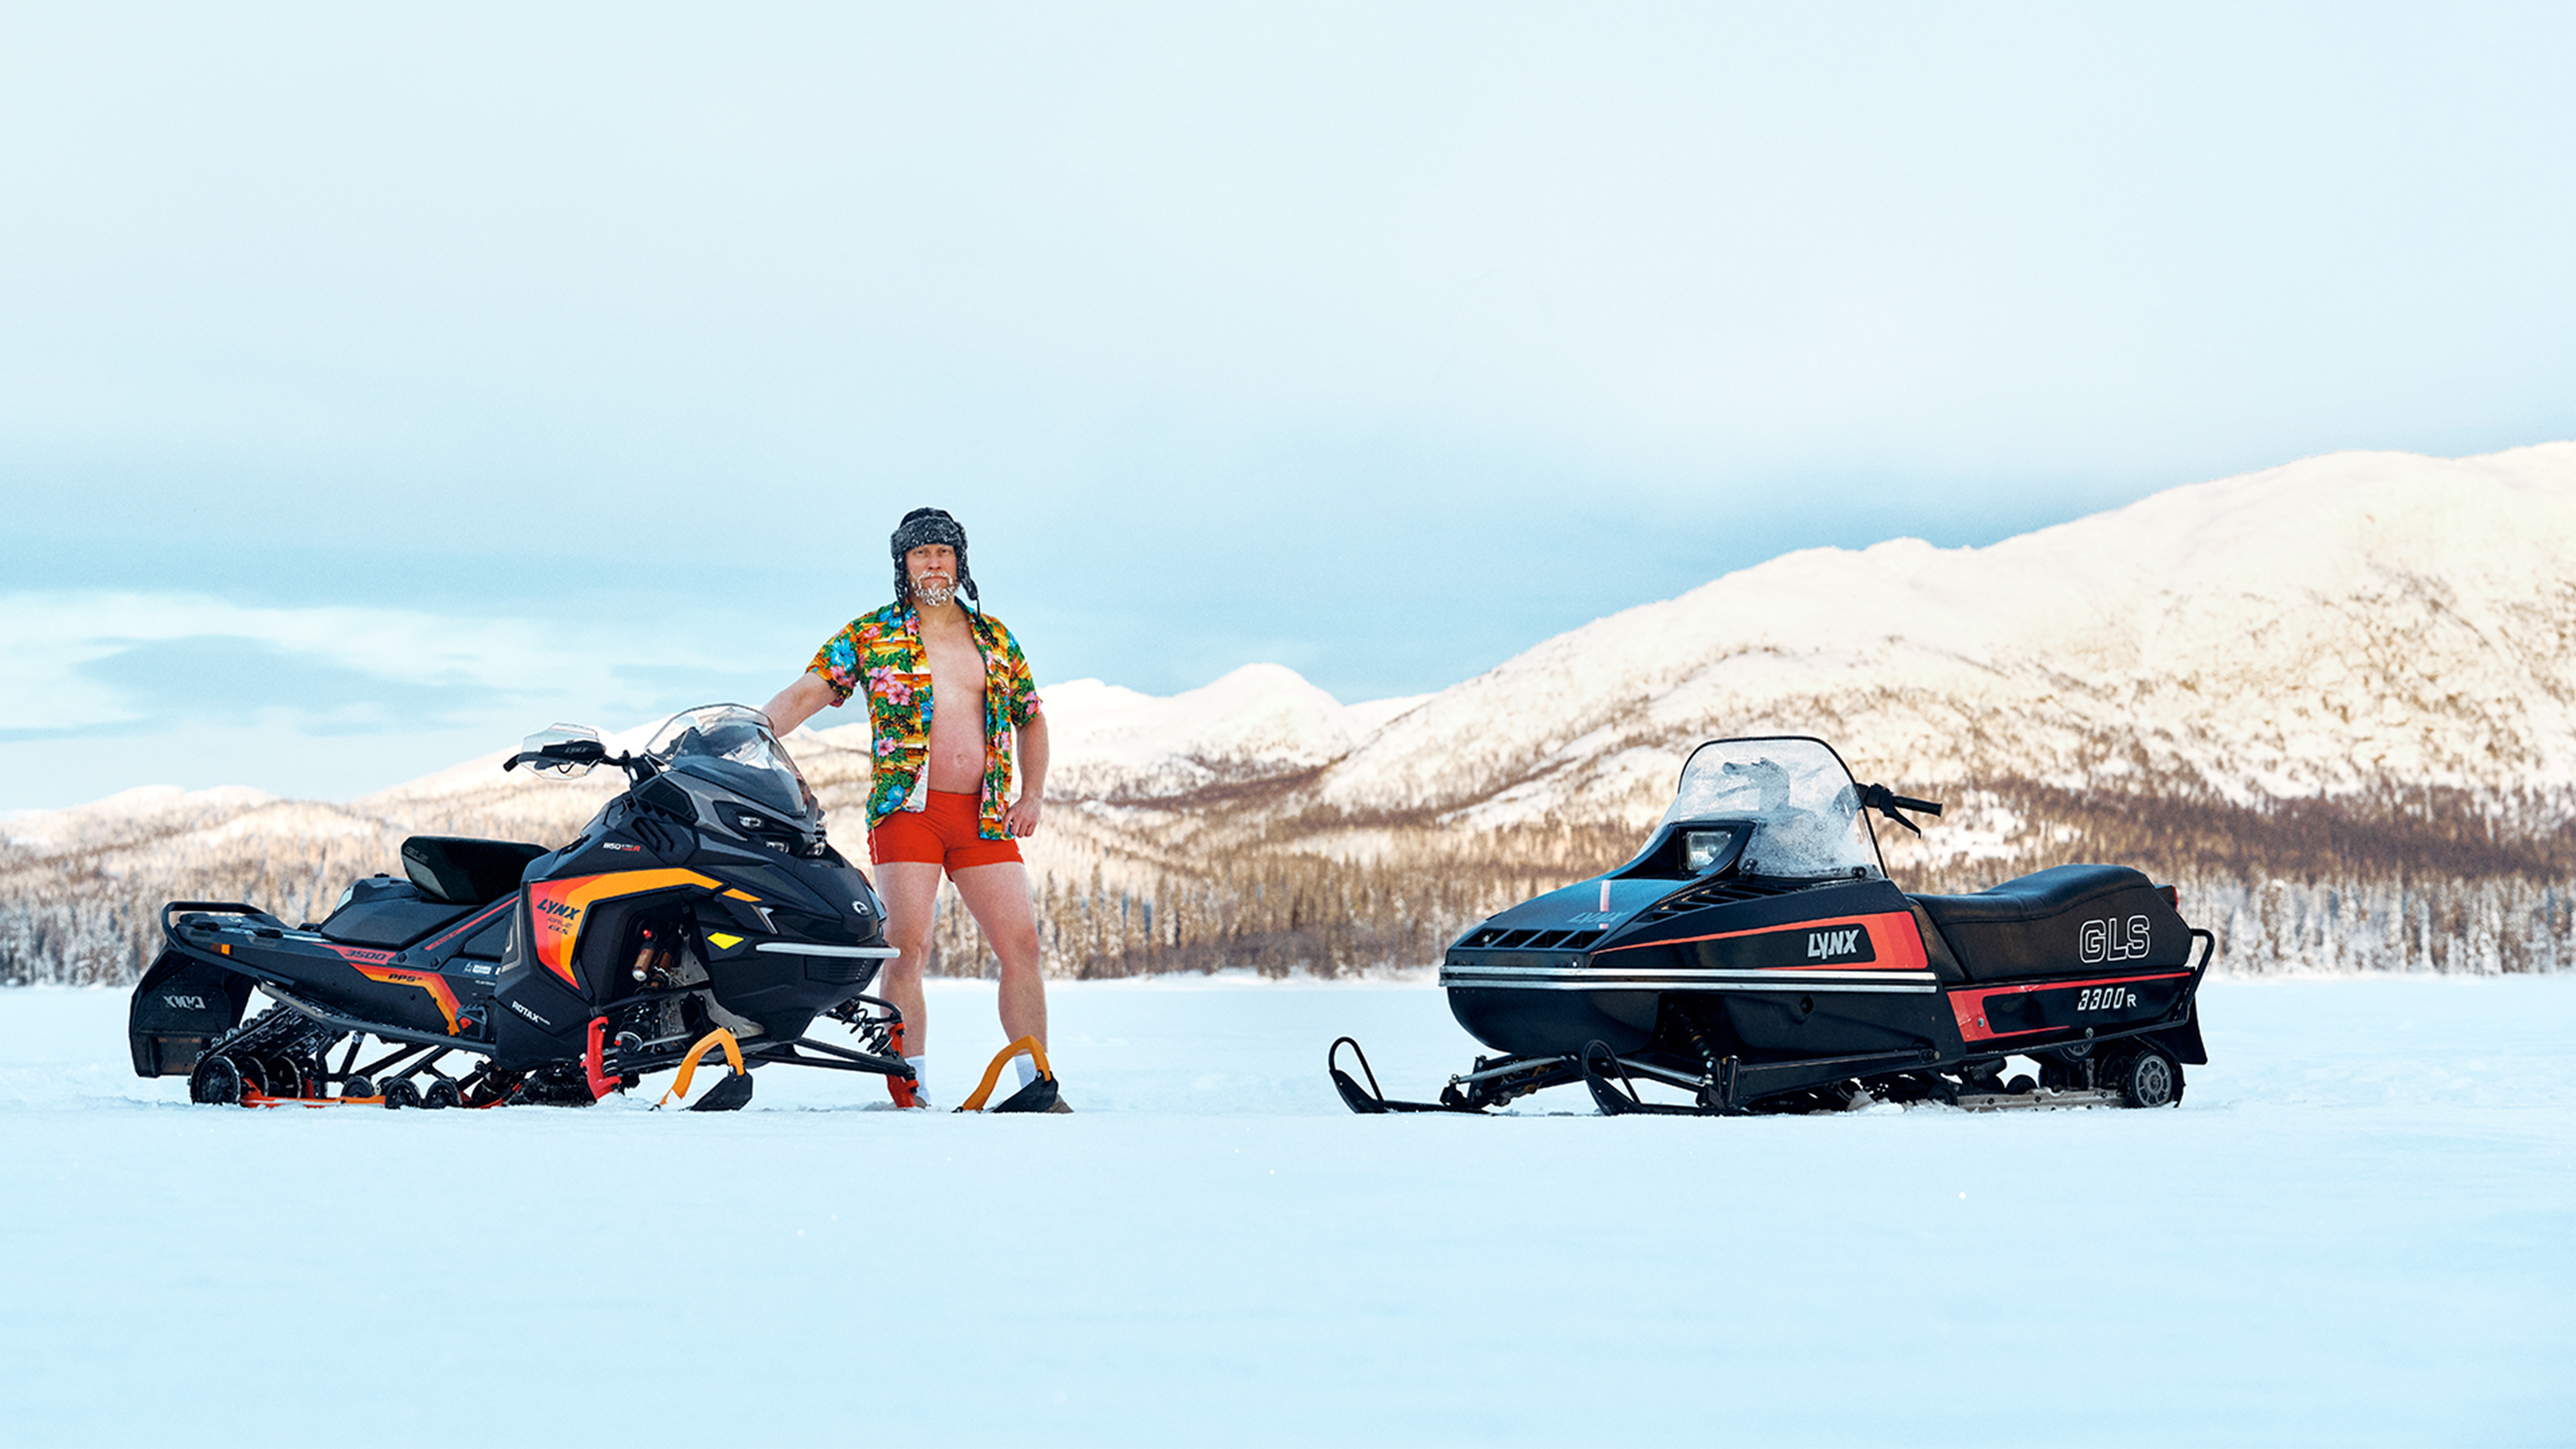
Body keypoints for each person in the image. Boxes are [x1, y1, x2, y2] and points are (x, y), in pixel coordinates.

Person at [762, 507, 1059, 1109]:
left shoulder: (995, 638)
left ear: (959, 562)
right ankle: (908, 1089)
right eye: (920, 554)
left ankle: (1039, 1087)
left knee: (1021, 944)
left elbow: (1032, 718)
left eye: (943, 553)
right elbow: (807, 692)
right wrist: (748, 733)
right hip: (908, 811)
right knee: (907, 946)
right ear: (903, 565)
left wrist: (1031, 794)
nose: (933, 563)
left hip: (983, 815)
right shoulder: (872, 634)